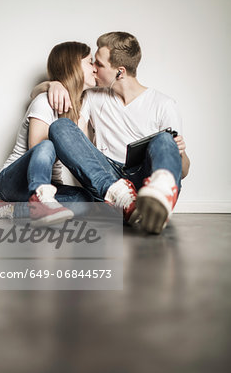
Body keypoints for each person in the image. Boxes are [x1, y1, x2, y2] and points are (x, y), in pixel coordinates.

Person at [35, 31, 190, 234]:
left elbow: (184, 170)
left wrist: (178, 152)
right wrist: (51, 84)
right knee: (60, 127)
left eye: (98, 65)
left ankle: (159, 193)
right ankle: (125, 201)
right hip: (108, 182)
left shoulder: (164, 104)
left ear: (120, 72)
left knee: (164, 139)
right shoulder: (93, 96)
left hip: (147, 180)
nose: (93, 70)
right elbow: (73, 139)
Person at [0, 41, 96, 226]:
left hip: (50, 188)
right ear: (74, 66)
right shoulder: (44, 101)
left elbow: (80, 161)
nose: (94, 68)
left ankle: (7, 209)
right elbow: (39, 150)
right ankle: (39, 201)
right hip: (15, 182)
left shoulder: (82, 109)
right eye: (90, 62)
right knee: (47, 144)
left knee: (86, 201)